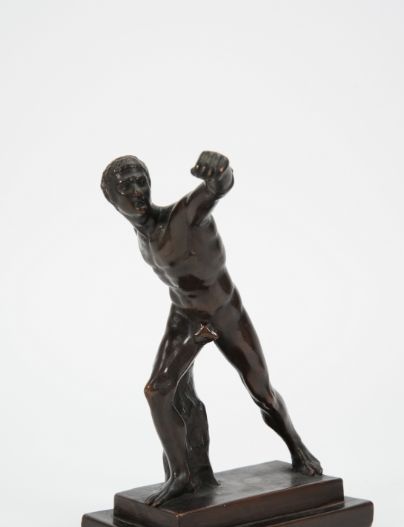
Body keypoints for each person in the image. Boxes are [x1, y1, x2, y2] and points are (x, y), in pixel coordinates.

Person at [101, 151, 322, 506]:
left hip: (224, 313)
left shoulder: (181, 217)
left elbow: (216, 189)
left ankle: (298, 449)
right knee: (159, 390)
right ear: (111, 199)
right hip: (185, 316)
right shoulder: (143, 234)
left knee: (262, 392)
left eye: (141, 181)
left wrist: (220, 173)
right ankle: (182, 475)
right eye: (127, 186)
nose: (137, 191)